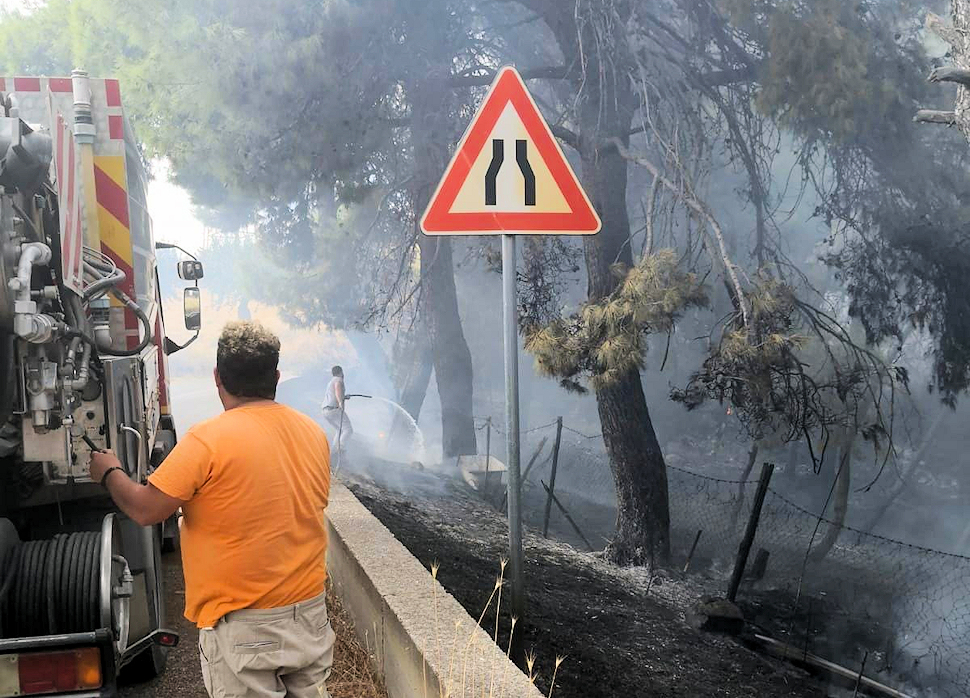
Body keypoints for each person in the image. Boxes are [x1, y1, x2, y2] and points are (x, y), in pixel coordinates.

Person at [88, 321, 334, 698]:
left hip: (247, 626)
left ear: (217, 377)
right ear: (276, 377)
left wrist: (109, 472)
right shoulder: (312, 432)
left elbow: (145, 509)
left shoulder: (207, 440)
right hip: (309, 615)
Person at [321, 365, 353, 450]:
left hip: (325, 410)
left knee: (339, 430)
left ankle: (335, 449)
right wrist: (340, 402)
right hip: (333, 409)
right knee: (348, 429)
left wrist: (344, 397)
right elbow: (337, 388)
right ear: (341, 372)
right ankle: (340, 448)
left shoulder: (331, 381)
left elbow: (334, 394)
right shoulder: (338, 379)